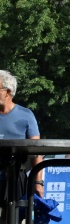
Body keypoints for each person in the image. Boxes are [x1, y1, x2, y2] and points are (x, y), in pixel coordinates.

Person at [0, 69, 44, 215]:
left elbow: (37, 151)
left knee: (13, 218)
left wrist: (38, 183)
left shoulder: (26, 115)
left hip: (16, 176)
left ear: (8, 92)